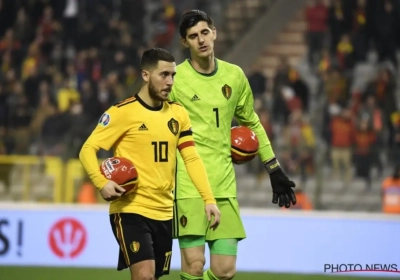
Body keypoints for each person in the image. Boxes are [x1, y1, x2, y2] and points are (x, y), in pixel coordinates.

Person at [169, 10, 297, 280]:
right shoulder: (176, 80)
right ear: (185, 42)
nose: (201, 40)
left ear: (214, 32)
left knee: (225, 271)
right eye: (193, 36)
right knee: (193, 266)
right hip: (189, 185)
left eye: (204, 32)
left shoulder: (235, 76)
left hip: (224, 185)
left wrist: (273, 168)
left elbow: (251, 123)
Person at [79, 48, 221, 280]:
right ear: (146, 76)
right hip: (130, 210)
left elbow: (191, 158)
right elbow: (88, 149)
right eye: (163, 75)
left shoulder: (178, 113)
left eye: (173, 75)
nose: (170, 82)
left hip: (164, 212)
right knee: (144, 276)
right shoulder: (122, 112)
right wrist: (101, 182)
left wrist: (209, 199)